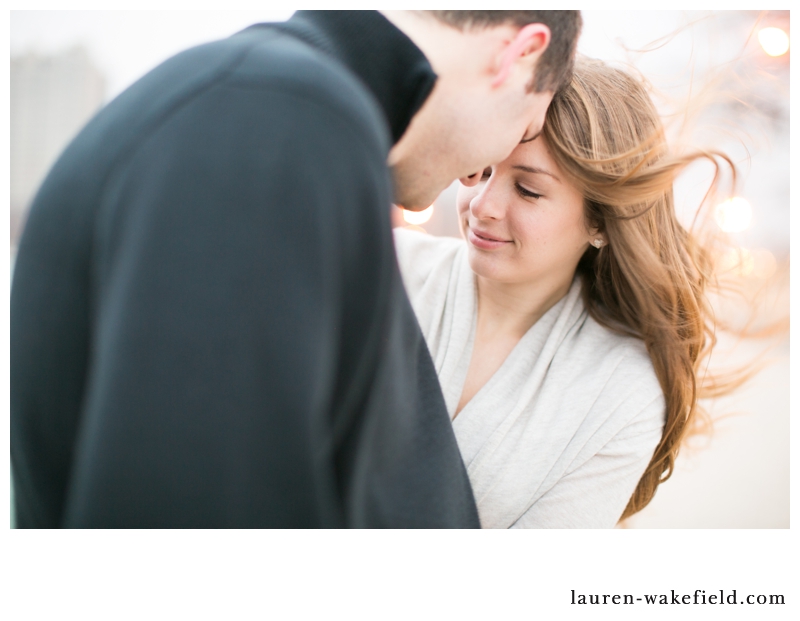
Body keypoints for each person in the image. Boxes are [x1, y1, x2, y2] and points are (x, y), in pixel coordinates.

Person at [10, 11, 582, 527]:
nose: (482, 170)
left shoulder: (286, 115)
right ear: (520, 53)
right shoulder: (276, 124)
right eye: (526, 126)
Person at [394, 56, 736, 528]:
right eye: (483, 170)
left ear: (599, 221)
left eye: (529, 190)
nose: (483, 206)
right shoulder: (383, 268)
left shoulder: (621, 392)